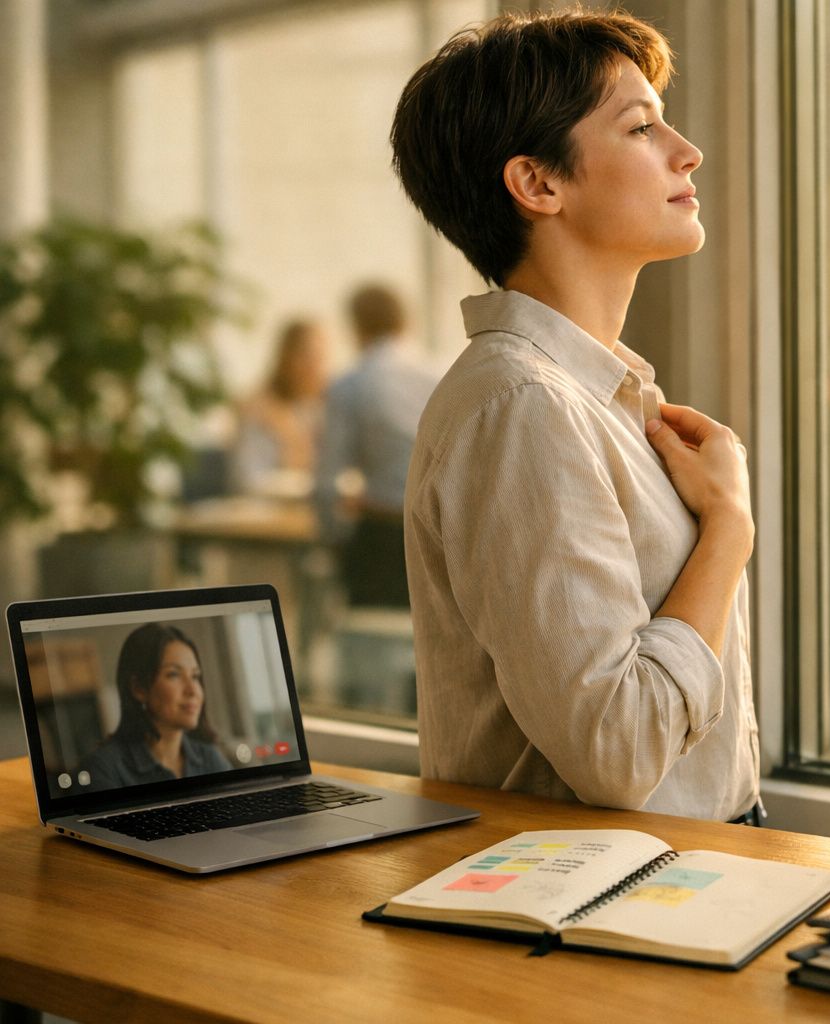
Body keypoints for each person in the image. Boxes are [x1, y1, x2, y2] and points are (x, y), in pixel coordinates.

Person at [388, 10, 759, 821]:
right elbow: (616, 751)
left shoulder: (592, 395)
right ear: (538, 184)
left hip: (665, 882)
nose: (686, 151)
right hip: (591, 904)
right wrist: (728, 528)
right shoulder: (521, 408)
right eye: (641, 127)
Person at [313, 283, 438, 608]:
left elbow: (328, 482)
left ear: (356, 326)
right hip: (441, 534)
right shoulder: (440, 373)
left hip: (382, 534)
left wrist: (337, 540)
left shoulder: (351, 384)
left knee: (373, 644)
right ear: (405, 322)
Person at [82, 623, 232, 789]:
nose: (193, 690)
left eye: (195, 676)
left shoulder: (209, 758)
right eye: (174, 674)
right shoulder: (105, 769)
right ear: (138, 688)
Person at [231, 318, 327, 495]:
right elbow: (249, 478)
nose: (314, 366)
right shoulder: (258, 408)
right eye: (306, 356)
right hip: (267, 509)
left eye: (319, 357)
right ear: (286, 358)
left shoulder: (323, 408)